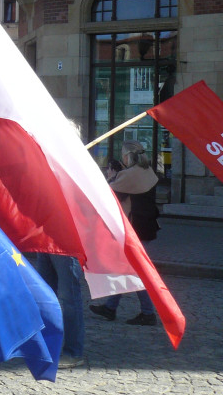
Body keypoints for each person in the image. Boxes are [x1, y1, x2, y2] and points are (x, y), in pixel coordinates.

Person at [90, 140, 160, 326]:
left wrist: (112, 176)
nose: (122, 158)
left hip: (134, 229)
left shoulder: (131, 174)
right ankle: (111, 308)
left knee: (136, 272)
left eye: (123, 154)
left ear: (129, 156)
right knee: (126, 269)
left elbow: (108, 190)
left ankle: (147, 312)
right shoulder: (147, 171)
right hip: (144, 226)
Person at [32, 253, 85, 368]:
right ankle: (47, 348)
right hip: (45, 244)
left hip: (65, 247)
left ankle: (73, 352)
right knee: (44, 297)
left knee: (70, 300)